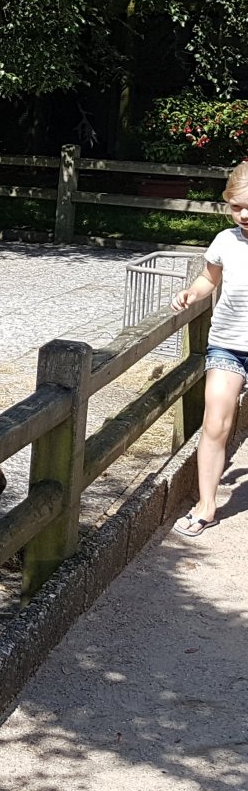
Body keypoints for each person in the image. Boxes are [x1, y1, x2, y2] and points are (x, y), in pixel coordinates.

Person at [170, 160, 248, 537]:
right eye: (236, 207)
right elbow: (208, 278)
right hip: (228, 345)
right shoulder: (225, 241)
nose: (244, 215)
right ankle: (206, 506)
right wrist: (192, 293)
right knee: (215, 423)